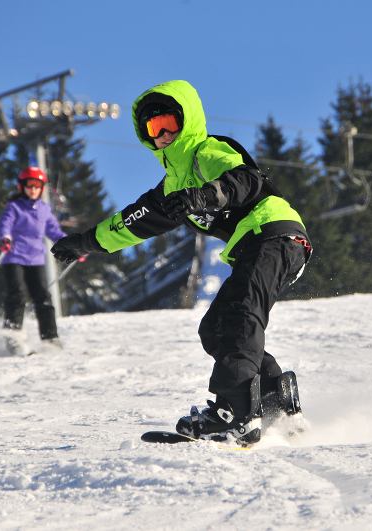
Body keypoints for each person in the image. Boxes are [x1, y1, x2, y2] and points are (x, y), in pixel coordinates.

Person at [51, 80, 312, 444]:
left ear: (187, 121)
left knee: (239, 317)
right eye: (153, 129)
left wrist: (204, 196)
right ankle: (275, 402)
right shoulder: (171, 188)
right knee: (217, 328)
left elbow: (245, 180)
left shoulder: (207, 152)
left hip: (275, 235)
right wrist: (83, 243)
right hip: (258, 246)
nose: (163, 135)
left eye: (169, 124)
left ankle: (234, 411)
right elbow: (131, 222)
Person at [0, 166, 67, 355]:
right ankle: (13, 336)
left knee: (43, 297)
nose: (33, 189)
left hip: (36, 259)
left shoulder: (44, 209)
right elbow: (5, 224)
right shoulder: (14, 207)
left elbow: (54, 231)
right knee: (18, 294)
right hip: (14, 257)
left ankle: (50, 337)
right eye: (30, 185)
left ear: (42, 188)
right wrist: (5, 237)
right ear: (22, 187)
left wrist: (74, 246)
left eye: (37, 186)